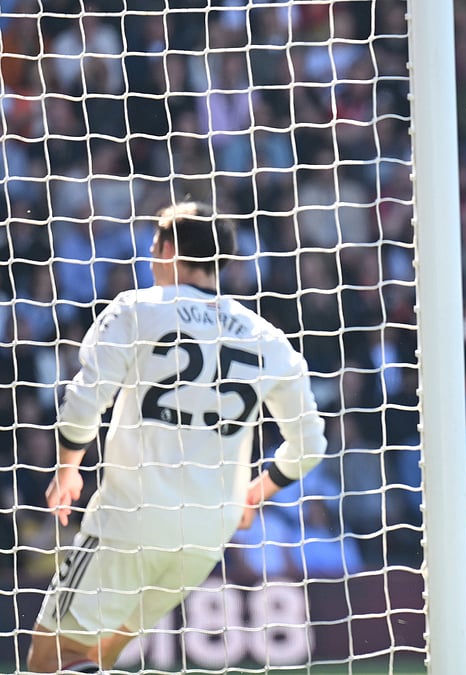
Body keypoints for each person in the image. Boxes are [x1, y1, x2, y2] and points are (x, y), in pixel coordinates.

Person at [27, 202, 327, 674]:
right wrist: (257, 491)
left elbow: (83, 402)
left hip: (132, 519)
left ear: (168, 250)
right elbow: (310, 444)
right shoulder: (268, 338)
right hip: (206, 536)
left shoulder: (138, 308)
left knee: (49, 661)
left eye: (152, 251)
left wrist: (67, 470)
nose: (149, 263)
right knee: (97, 658)